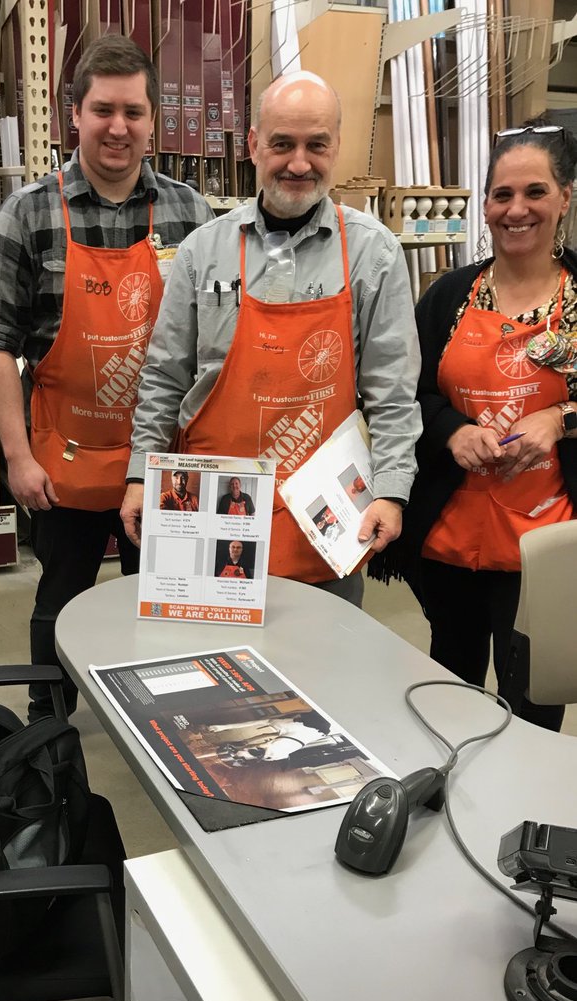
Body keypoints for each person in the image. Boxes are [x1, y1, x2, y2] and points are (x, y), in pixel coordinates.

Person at [0, 35, 212, 717]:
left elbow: (214, 346)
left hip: (162, 460)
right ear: (72, 113)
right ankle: (46, 730)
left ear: (152, 122)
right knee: (62, 603)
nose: (118, 127)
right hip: (65, 461)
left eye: (134, 112)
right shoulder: (27, 213)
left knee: (162, 604)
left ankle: (157, 721)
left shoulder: (191, 215)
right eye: (103, 110)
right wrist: (15, 458)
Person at [121, 71, 422, 607]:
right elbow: (163, 379)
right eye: (282, 143)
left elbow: (392, 391)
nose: (299, 163)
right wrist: (143, 474)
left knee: (323, 670)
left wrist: (392, 491)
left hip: (325, 521)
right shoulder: (201, 252)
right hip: (212, 510)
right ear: (253, 144)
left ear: (337, 147)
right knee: (212, 675)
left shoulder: (375, 255)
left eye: (316, 145)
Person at [371, 122, 577, 732]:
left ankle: (523, 823)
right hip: (451, 539)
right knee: (450, 696)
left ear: (565, 196)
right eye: (501, 195)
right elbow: (407, 392)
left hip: (547, 545)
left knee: (532, 705)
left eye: (535, 192)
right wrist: (451, 433)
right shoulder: (449, 296)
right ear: (484, 204)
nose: (517, 210)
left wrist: (560, 418)